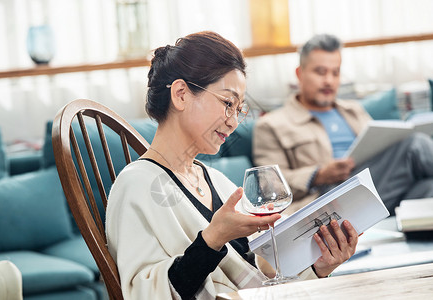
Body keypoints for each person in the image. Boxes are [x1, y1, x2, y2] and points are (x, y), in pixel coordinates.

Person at [105, 31, 358, 299]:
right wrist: (212, 239)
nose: (233, 121)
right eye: (227, 103)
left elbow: (259, 276)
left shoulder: (216, 181)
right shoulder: (136, 185)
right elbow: (146, 293)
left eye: (239, 109)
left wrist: (320, 268)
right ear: (180, 94)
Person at [253, 34, 433, 215]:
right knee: (415, 144)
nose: (329, 81)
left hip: (376, 189)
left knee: (428, 187)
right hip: (327, 199)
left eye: (335, 72)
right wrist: (318, 175)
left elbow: (383, 162)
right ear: (300, 74)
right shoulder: (270, 125)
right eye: (320, 72)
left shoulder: (354, 110)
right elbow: (270, 189)